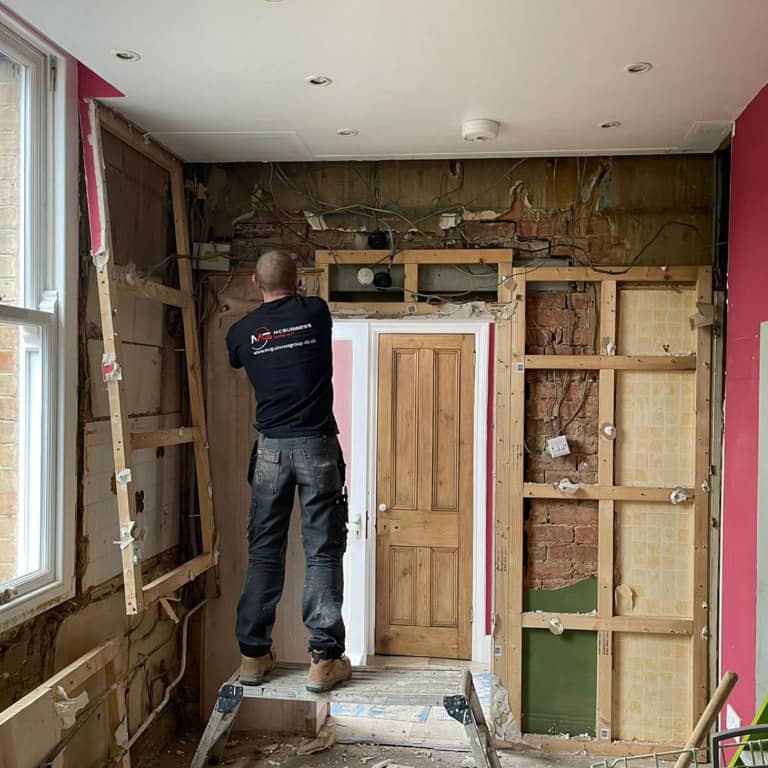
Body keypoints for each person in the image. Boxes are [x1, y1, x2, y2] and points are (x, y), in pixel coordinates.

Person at [225, 249, 351, 693]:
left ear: (255, 284)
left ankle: (254, 657)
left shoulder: (241, 332)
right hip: (316, 447)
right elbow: (296, 304)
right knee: (321, 550)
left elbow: (239, 357)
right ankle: (323, 660)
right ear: (299, 282)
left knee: (264, 552)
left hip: (271, 453)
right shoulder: (315, 311)